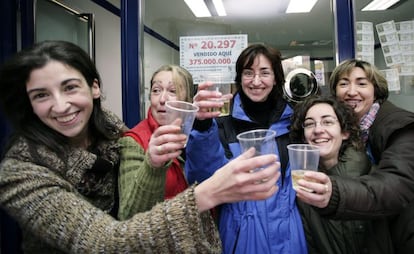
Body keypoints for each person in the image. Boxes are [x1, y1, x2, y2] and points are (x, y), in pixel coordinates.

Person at [0, 40, 282, 253]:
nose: (61, 106)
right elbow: (106, 242)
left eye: (70, 87)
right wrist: (205, 194)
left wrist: (200, 127)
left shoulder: (112, 135)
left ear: (94, 88)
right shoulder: (20, 174)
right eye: (41, 95)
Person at [185, 44, 307, 253]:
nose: (256, 81)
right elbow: (202, 178)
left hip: (290, 239)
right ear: (240, 78)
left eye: (265, 73)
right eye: (248, 73)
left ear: (276, 78)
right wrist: (202, 125)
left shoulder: (295, 124)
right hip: (240, 237)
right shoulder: (223, 126)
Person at [294, 59, 414, 254]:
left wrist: (334, 194)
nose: (351, 91)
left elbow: (395, 186)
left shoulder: (400, 126)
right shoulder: (348, 142)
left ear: (376, 89)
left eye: (361, 83)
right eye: (343, 83)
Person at [290, 95, 378, 253]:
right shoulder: (302, 186)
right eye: (310, 124)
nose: (318, 130)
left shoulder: (371, 178)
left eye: (328, 122)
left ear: (345, 132)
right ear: (304, 137)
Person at [117, 64, 194, 220]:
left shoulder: (198, 134)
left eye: (172, 91)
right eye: (156, 91)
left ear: (188, 99)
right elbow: (128, 215)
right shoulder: (134, 141)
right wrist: (152, 166)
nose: (162, 99)